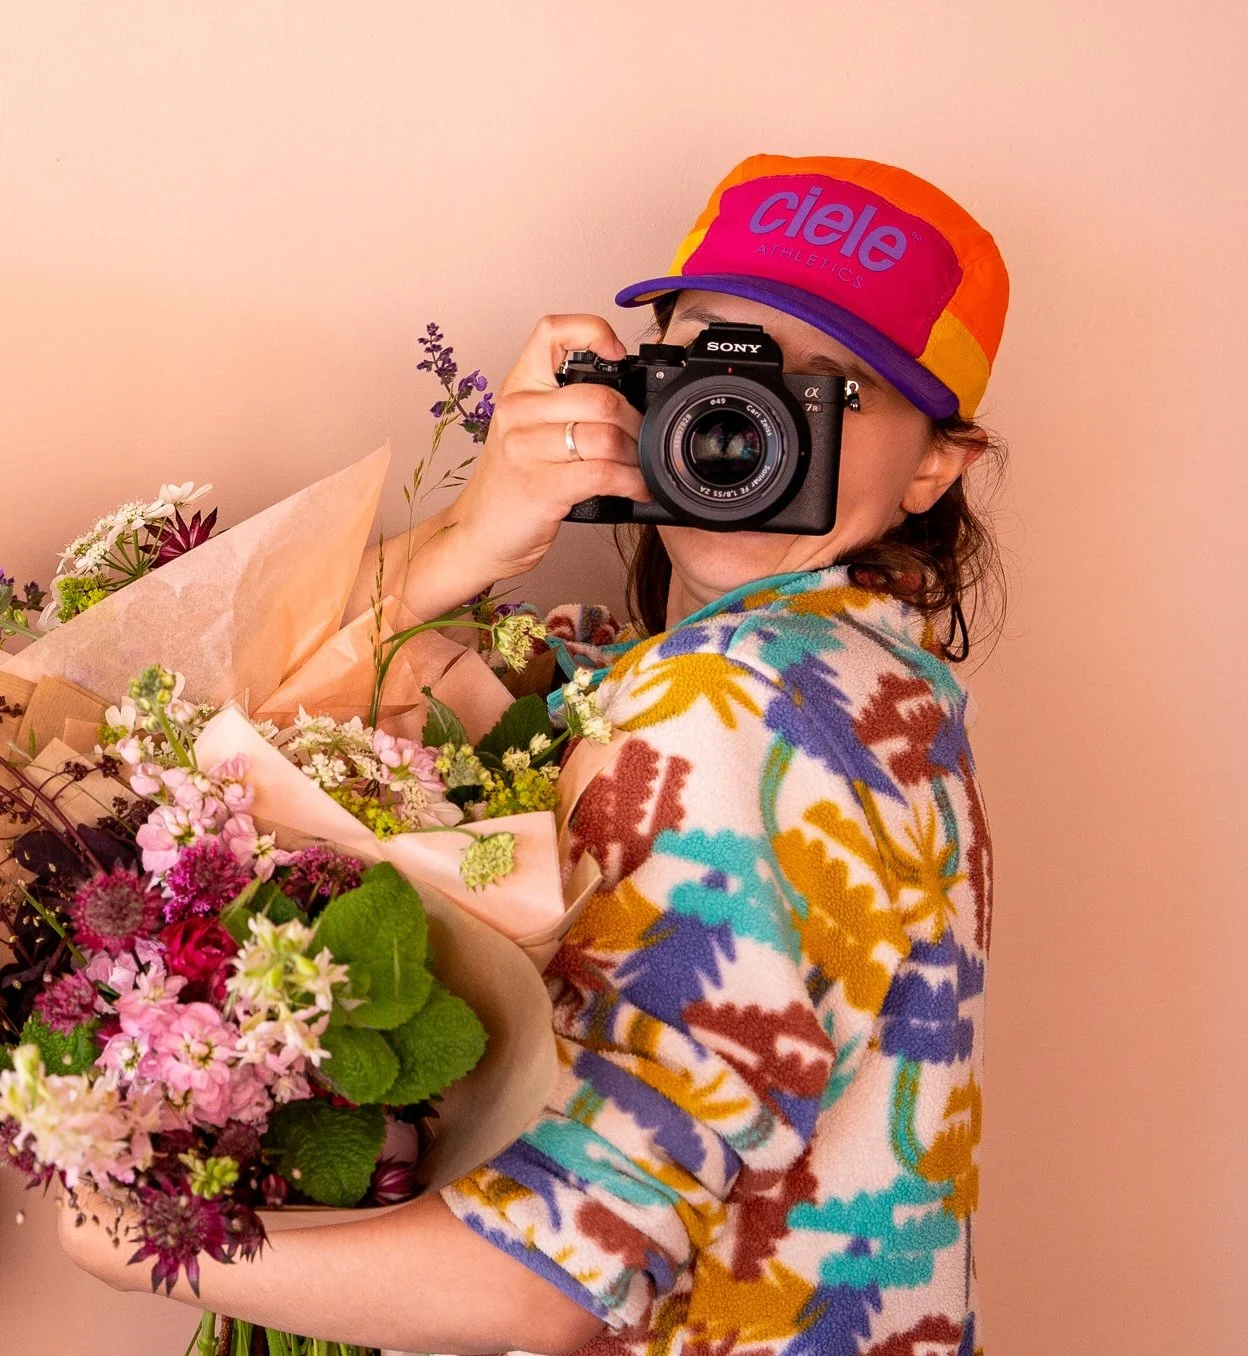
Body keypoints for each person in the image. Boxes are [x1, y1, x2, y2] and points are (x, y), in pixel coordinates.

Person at [60, 153, 1010, 1356]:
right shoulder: (876, 693)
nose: (740, 421)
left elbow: (546, 1280)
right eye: (712, 364)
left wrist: (147, 1245)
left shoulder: (723, 706)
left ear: (938, 462)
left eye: (829, 390)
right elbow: (185, 708)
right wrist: (478, 532)